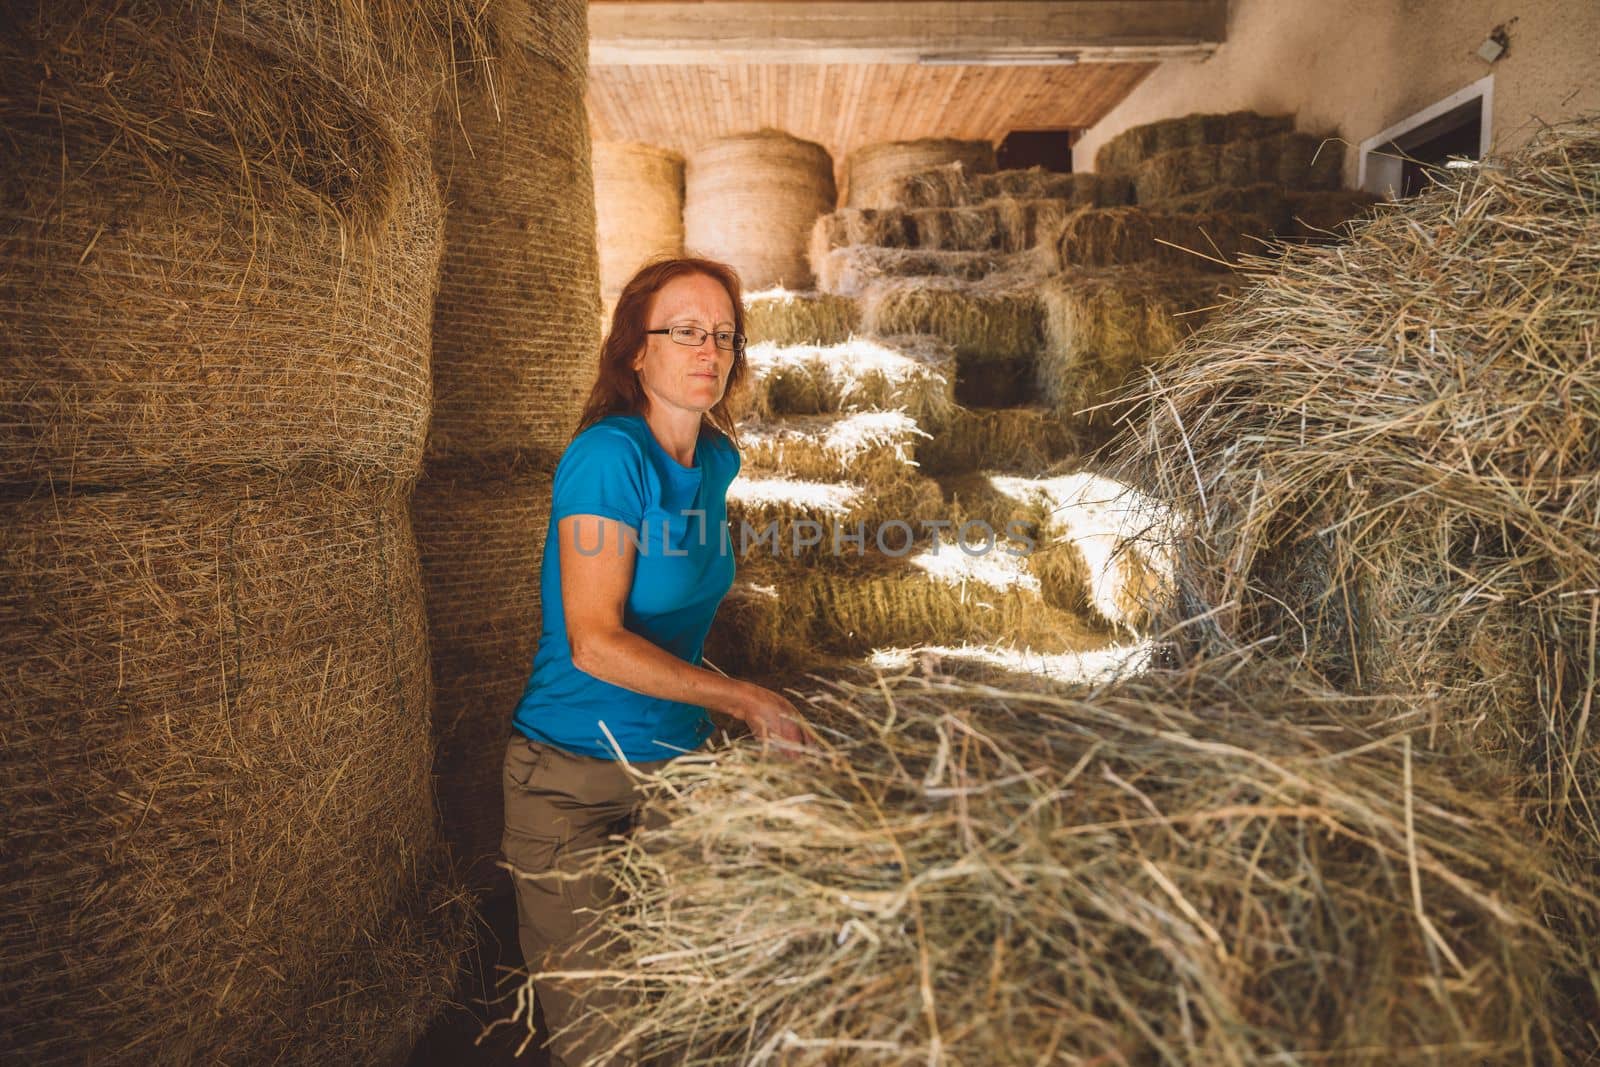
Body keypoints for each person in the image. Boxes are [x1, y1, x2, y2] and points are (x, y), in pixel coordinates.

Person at [502, 257, 807, 1066]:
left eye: (723, 335)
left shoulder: (716, 460)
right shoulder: (609, 458)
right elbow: (593, 641)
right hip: (573, 779)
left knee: (701, 1007)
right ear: (636, 350)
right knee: (611, 1039)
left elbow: (681, 601)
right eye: (683, 331)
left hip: (679, 773)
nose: (707, 349)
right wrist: (743, 697)